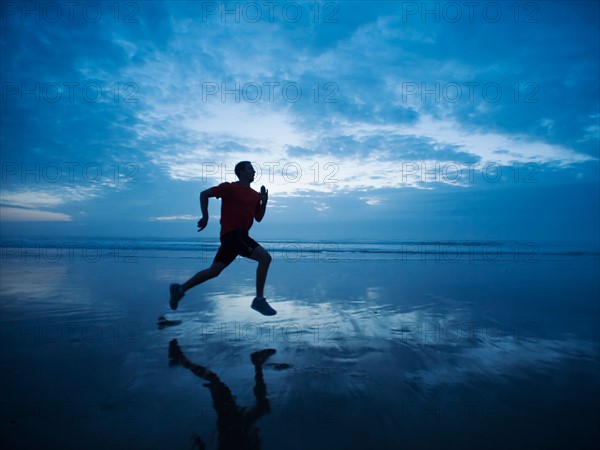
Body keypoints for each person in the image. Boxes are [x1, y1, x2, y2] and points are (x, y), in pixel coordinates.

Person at [169, 161, 276, 316]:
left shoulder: (254, 195)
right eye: (250, 169)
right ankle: (259, 299)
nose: (254, 172)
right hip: (232, 234)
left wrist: (264, 202)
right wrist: (205, 217)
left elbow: (258, 218)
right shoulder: (230, 188)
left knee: (214, 271)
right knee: (265, 258)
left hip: (239, 236)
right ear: (241, 172)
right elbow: (204, 194)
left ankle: (180, 289)